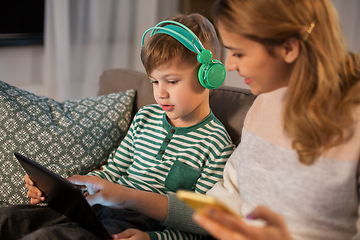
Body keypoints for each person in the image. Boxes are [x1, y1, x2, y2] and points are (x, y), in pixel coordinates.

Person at [2, 13, 234, 240]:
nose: (160, 93)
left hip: (136, 222)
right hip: (97, 208)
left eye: (172, 81)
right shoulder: (145, 117)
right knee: (9, 218)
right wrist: (65, 190)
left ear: (208, 77)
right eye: (154, 81)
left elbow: (203, 224)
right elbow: (112, 171)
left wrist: (152, 237)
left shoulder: (215, 144)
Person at [158, 0, 360, 240]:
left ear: (288, 48)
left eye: (239, 53)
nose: (229, 65)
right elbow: (226, 201)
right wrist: (129, 201)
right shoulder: (266, 102)